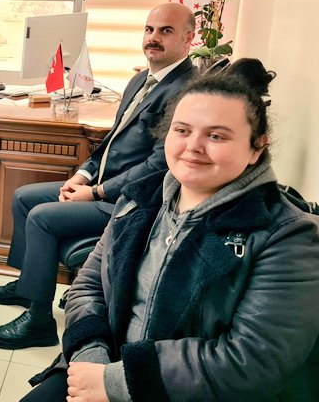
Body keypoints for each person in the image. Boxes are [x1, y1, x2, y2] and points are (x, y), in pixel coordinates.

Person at [23, 60, 319, 402]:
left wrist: (117, 382)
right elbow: (88, 285)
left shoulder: (288, 237)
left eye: (216, 135)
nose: (194, 146)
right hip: (100, 364)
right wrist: (92, 357)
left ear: (257, 148)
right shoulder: (138, 199)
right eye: (182, 130)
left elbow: (254, 360)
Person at [0, 2, 196, 350]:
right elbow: (112, 140)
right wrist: (83, 175)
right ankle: (27, 287)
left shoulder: (185, 92)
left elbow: (159, 166)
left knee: (42, 217)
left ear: (188, 39)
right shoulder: (141, 79)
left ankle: (38, 320)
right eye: (149, 29)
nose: (153, 38)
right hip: (103, 185)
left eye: (165, 31)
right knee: (23, 197)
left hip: (134, 201)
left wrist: (96, 192)